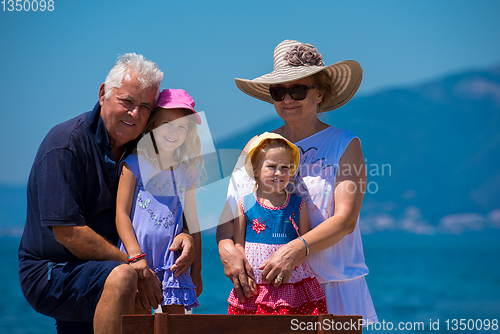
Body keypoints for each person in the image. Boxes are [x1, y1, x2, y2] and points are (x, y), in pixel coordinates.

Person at [18, 54, 196, 334]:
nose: (134, 113)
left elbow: (176, 200)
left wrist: (185, 232)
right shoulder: (65, 145)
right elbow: (69, 233)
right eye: (127, 101)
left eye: (145, 106)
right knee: (125, 277)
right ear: (103, 94)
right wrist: (136, 263)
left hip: (105, 269)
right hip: (53, 271)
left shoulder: (142, 146)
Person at [217, 40, 377, 323]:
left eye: (298, 90)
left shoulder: (345, 144)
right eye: (279, 91)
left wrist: (295, 250)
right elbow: (229, 212)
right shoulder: (255, 144)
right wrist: (227, 250)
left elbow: (345, 220)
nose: (287, 99)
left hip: (335, 286)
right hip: (267, 295)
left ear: (320, 94)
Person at [116, 89, 203, 314]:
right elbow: (121, 214)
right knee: (139, 322)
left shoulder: (186, 172)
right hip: (137, 260)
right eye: (166, 123)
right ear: (152, 125)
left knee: (175, 326)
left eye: (181, 127)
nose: (173, 131)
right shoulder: (133, 163)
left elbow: (193, 224)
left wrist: (197, 272)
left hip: (173, 262)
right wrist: (136, 257)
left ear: (189, 133)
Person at [227, 133, 328, 315]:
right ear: (256, 171)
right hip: (254, 284)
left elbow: (305, 242)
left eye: (285, 167)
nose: (279, 173)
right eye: (271, 167)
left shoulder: (298, 204)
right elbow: (238, 243)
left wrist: (291, 267)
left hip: (290, 281)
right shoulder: (245, 204)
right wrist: (245, 273)